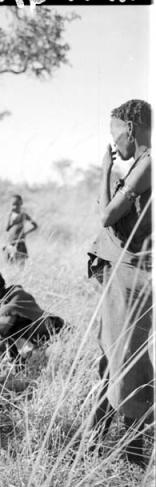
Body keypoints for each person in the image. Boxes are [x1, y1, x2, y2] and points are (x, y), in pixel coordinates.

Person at [87, 99, 153, 467]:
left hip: (132, 276)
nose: (114, 144)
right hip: (130, 274)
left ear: (130, 128)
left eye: (114, 133)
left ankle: (132, 454)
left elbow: (107, 215)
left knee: (126, 360)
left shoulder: (147, 164)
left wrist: (104, 170)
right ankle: (96, 444)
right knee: (115, 358)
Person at [3, 194, 38, 266]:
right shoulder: (10, 215)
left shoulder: (24, 215)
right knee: (10, 263)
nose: (15, 207)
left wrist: (26, 233)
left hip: (20, 241)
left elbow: (35, 226)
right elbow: (7, 229)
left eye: (17, 204)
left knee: (21, 263)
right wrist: (11, 220)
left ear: (21, 203)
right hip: (11, 241)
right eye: (13, 204)